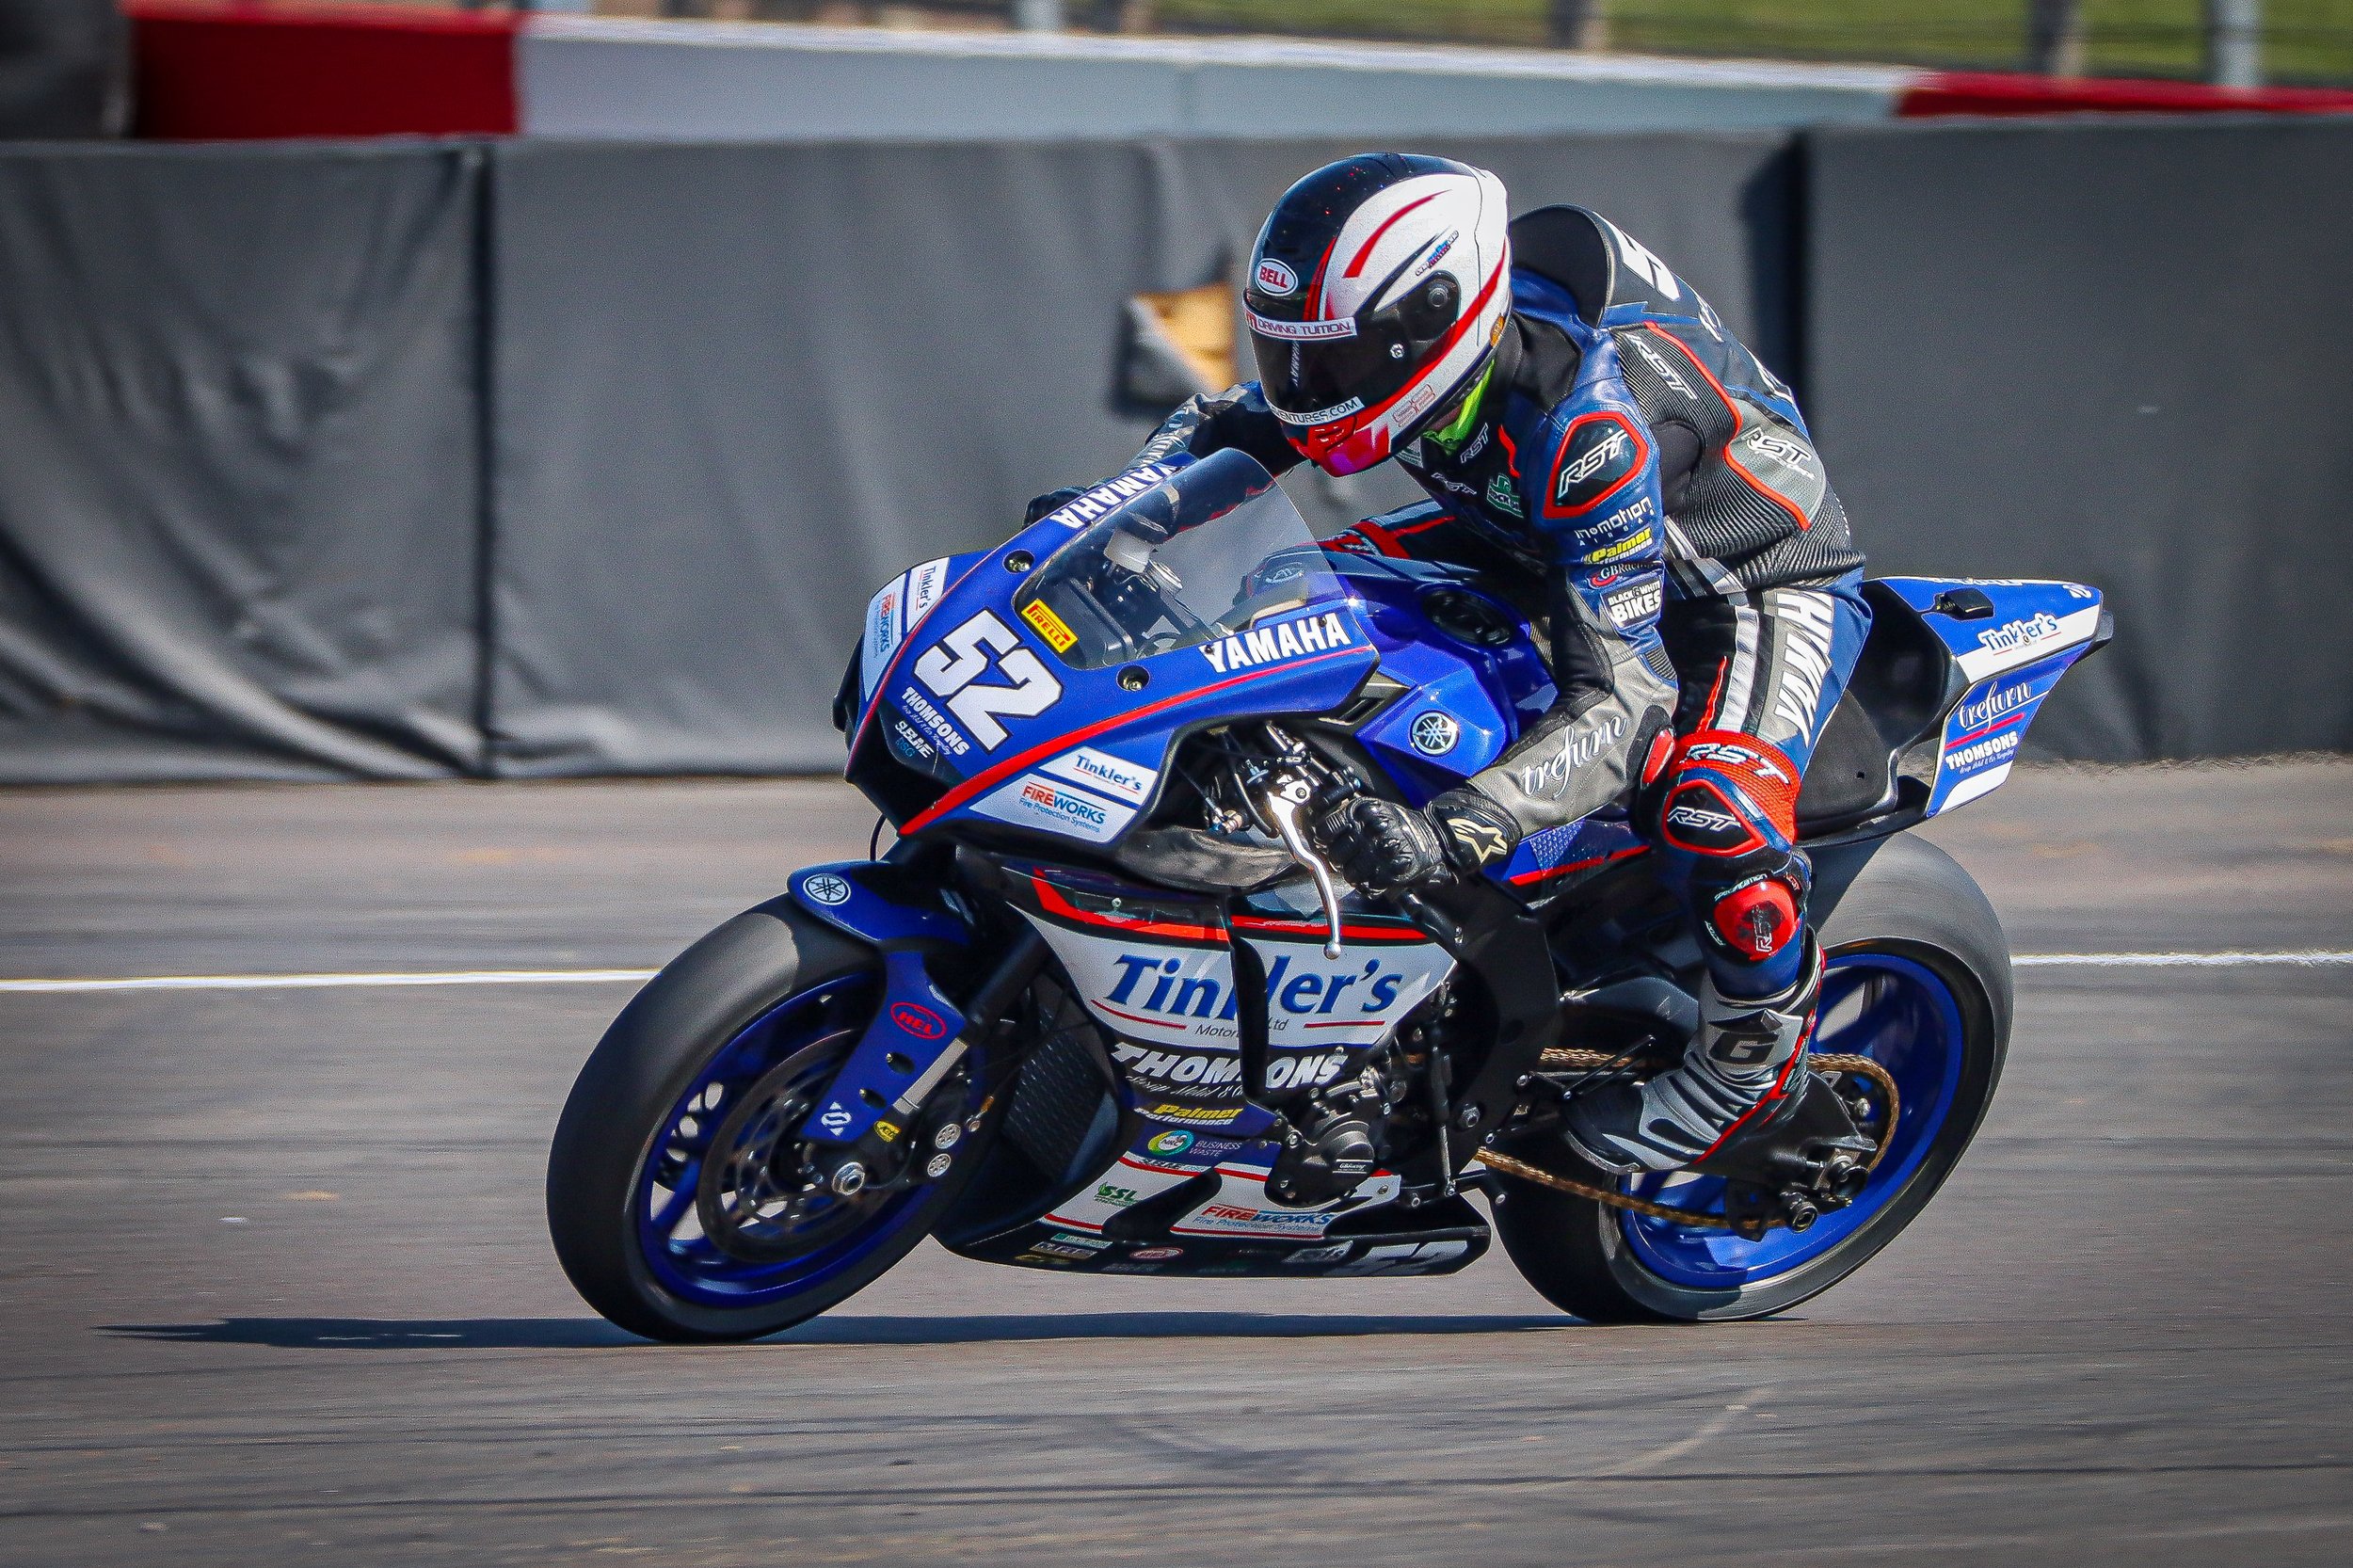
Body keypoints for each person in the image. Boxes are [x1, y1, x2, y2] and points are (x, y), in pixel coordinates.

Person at [1111, 152, 1871, 1176]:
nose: (1305, 391)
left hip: (1743, 585)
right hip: (1530, 538)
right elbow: (1216, 431)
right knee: (1282, 613)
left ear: (1435, 326)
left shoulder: (1582, 428)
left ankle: (1751, 1079)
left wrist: (1453, 827)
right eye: (1290, 356)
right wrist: (1111, 528)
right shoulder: (1403, 365)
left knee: (1713, 806)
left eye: (1332, 364)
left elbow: (1627, 698)